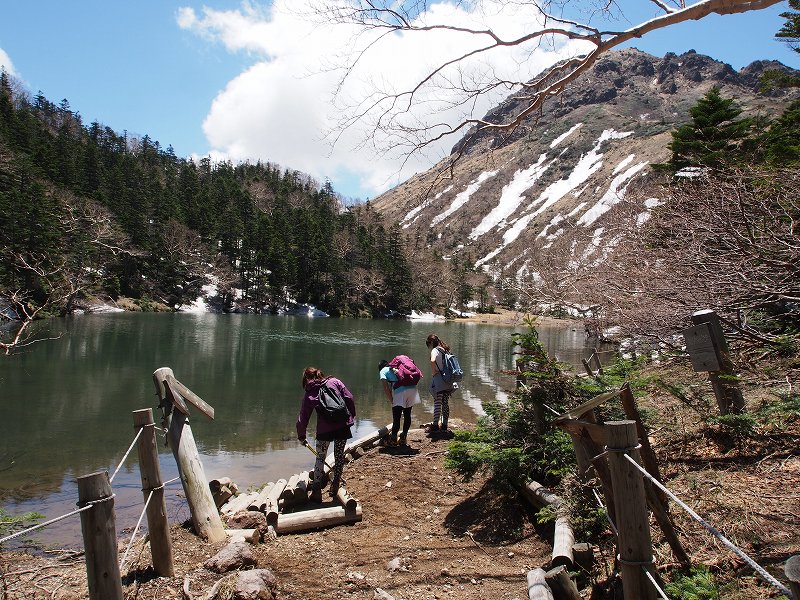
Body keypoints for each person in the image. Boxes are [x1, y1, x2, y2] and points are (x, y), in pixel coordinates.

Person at [296, 366, 356, 502]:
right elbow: (349, 397)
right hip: (342, 427)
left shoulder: (310, 392)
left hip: (324, 430)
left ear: (306, 379)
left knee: (320, 458)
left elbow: (303, 416)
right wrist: (350, 416)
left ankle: (316, 491)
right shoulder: (335, 382)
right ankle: (335, 486)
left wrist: (301, 435)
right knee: (339, 456)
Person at [378, 358, 421, 447]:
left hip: (401, 391)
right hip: (412, 388)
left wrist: (391, 400)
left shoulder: (383, 371)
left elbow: (386, 388)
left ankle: (393, 440)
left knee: (396, 417)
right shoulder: (396, 367)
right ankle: (403, 438)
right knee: (407, 414)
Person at [426, 333, 455, 432]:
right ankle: (444, 425)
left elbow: (433, 360)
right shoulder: (445, 349)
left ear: (431, 343)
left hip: (439, 379)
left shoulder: (435, 350)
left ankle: (434, 426)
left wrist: (434, 372)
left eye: (428, 345)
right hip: (448, 379)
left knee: (437, 402)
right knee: (445, 402)